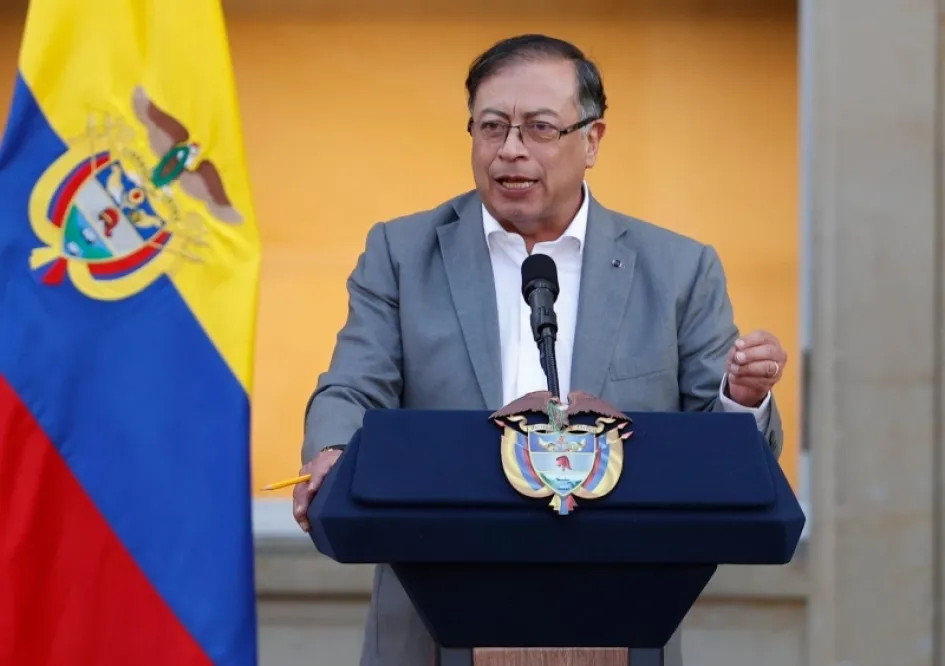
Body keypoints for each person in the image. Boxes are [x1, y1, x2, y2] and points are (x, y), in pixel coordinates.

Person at [292, 34, 788, 666]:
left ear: (593, 140)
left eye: (538, 128)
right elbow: (352, 385)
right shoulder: (401, 252)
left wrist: (740, 400)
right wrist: (332, 448)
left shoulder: (678, 269)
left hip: (620, 620)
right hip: (429, 624)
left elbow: (722, 465)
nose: (510, 150)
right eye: (491, 127)